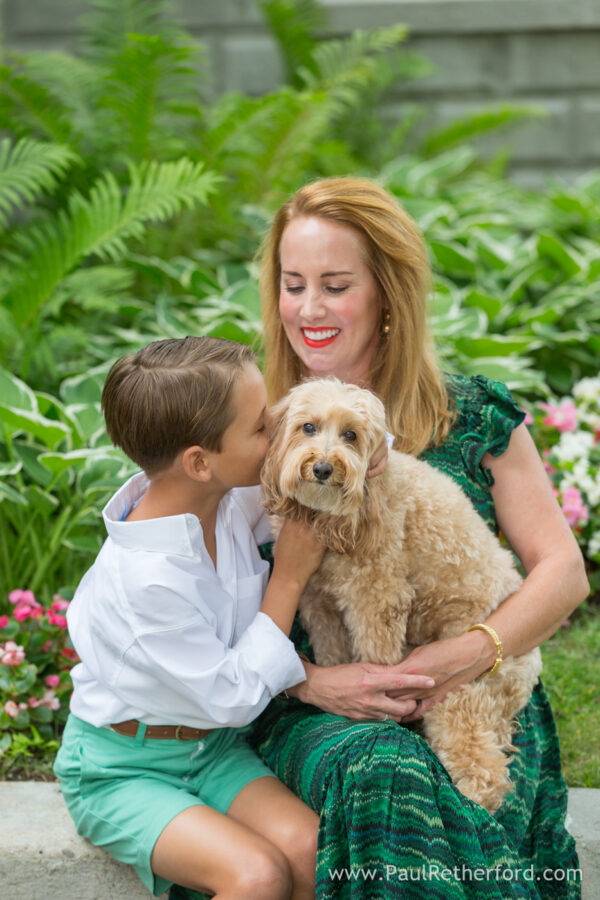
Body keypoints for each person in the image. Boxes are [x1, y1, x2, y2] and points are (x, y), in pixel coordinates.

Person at [239, 177, 587, 900]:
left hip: (479, 685)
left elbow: (562, 573)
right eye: (293, 284)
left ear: (387, 295)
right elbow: (197, 603)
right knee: (383, 772)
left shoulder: (472, 416)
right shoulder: (252, 425)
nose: (309, 309)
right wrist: (314, 682)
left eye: (335, 285)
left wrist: (465, 655)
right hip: (304, 702)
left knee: (467, 789)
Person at [54, 335, 354, 899]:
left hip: (212, 749)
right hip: (123, 769)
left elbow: (320, 478)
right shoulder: (145, 579)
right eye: (262, 428)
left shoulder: (223, 496)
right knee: (256, 875)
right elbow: (234, 695)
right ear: (199, 462)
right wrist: (286, 578)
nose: (278, 436)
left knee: (312, 852)